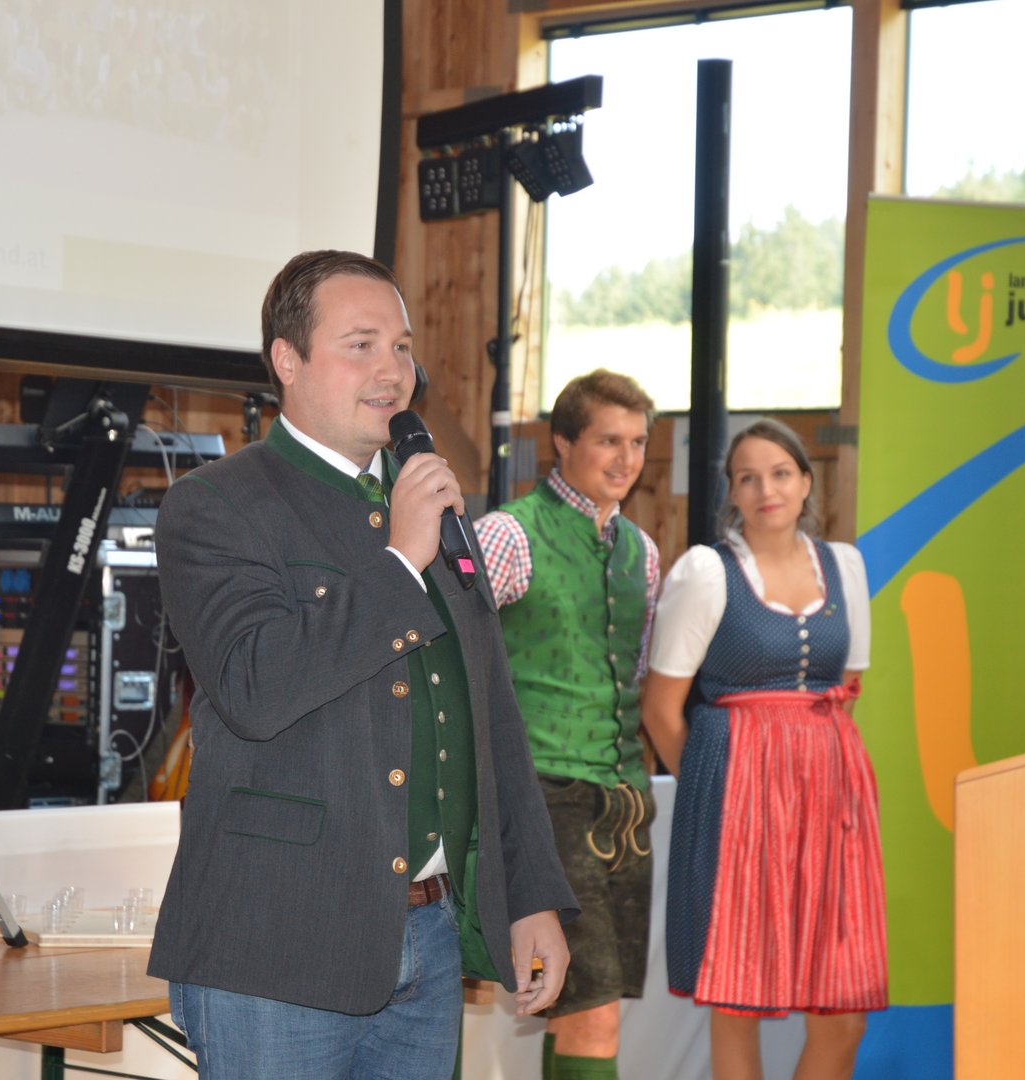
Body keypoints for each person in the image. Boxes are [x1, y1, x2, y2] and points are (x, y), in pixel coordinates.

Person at [149, 249, 577, 1079]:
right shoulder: (216, 505)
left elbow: (492, 717)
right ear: (288, 360)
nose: (393, 371)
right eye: (362, 345)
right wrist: (398, 563)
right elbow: (255, 688)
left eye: (403, 347)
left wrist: (530, 896)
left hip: (428, 935)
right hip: (275, 949)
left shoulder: (429, 508)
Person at [643, 419, 887, 1080]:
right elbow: (661, 708)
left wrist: (806, 765)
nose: (765, 489)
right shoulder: (707, 573)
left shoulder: (844, 566)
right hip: (736, 792)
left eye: (780, 473)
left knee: (843, 1010)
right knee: (738, 996)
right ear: (733, 492)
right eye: (747, 477)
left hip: (830, 796)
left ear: (806, 482)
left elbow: (847, 686)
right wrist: (715, 789)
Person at [473, 369, 660, 1080]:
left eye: (637, 442)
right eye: (609, 440)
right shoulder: (509, 535)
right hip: (544, 794)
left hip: (622, 798)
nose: (626, 459)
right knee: (593, 1011)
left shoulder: (643, 552)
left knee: (587, 1004)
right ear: (562, 443)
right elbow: (448, 654)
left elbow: (631, 671)